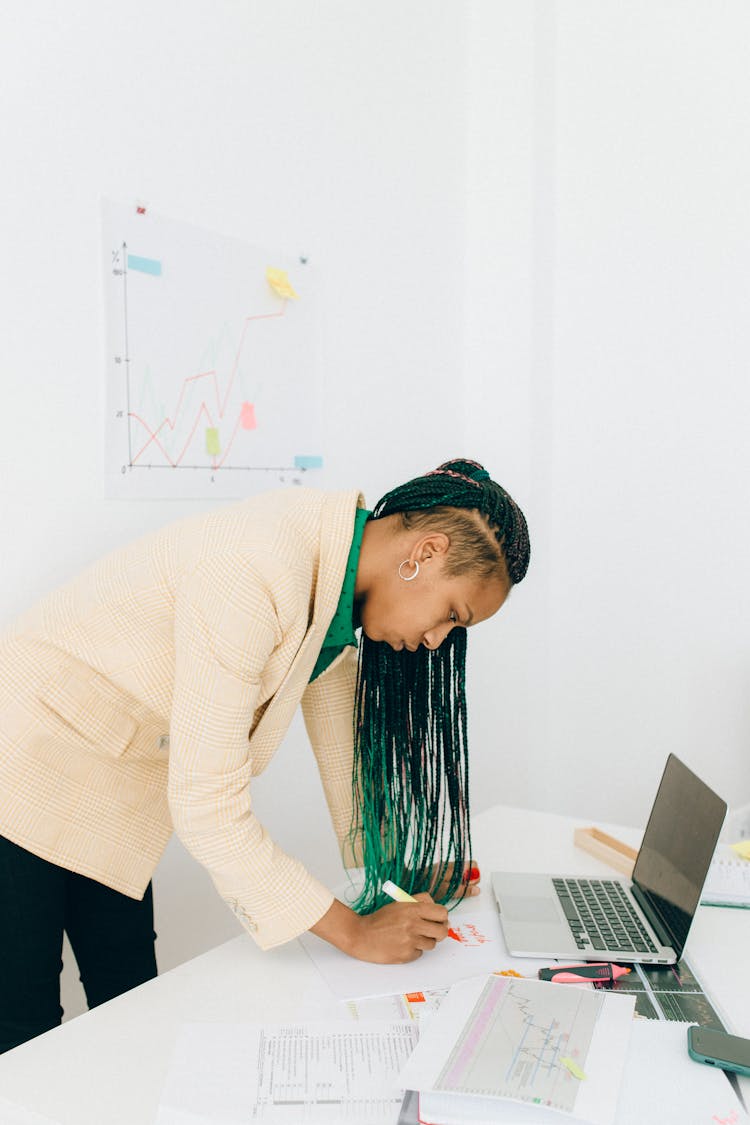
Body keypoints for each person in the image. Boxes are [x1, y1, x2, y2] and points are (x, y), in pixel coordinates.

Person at [0, 457, 529, 1053]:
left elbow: (344, 760)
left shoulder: (332, 584)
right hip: (20, 768)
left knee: (131, 1006)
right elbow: (206, 804)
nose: (437, 641)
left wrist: (392, 879)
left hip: (109, 781)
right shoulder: (254, 570)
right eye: (452, 616)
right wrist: (353, 932)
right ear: (425, 553)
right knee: (21, 1031)